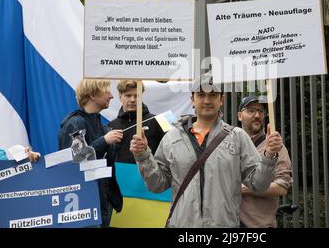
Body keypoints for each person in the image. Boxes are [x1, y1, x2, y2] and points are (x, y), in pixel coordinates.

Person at [130, 72, 283, 228]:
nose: (207, 100)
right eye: (201, 94)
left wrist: (269, 155)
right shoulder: (172, 138)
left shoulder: (237, 137)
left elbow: (259, 184)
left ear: (221, 99)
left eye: (213, 94)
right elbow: (157, 184)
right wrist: (143, 156)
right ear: (192, 99)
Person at [58, 79, 123, 227]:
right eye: (107, 90)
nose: (112, 96)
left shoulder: (102, 126)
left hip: (103, 201)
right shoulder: (76, 123)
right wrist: (104, 141)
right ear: (93, 95)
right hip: (84, 203)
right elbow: (75, 161)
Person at [237, 95, 292, 228]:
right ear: (240, 115)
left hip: (257, 225)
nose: (257, 115)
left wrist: (243, 189)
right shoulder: (231, 143)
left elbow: (281, 187)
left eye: (261, 111)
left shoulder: (275, 147)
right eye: (251, 110)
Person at [107, 80, 165, 164]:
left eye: (136, 96)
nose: (132, 100)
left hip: (152, 175)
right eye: (128, 95)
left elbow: (171, 149)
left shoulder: (161, 120)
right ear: (120, 97)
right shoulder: (111, 125)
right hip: (121, 175)